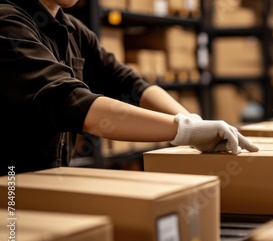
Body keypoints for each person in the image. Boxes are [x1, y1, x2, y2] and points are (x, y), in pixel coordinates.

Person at [0, 0, 258, 174]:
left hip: (48, 184)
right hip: (10, 191)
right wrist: (185, 132)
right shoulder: (7, 23)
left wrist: (191, 120)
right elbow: (71, 102)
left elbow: (130, 84)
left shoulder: (73, 31)